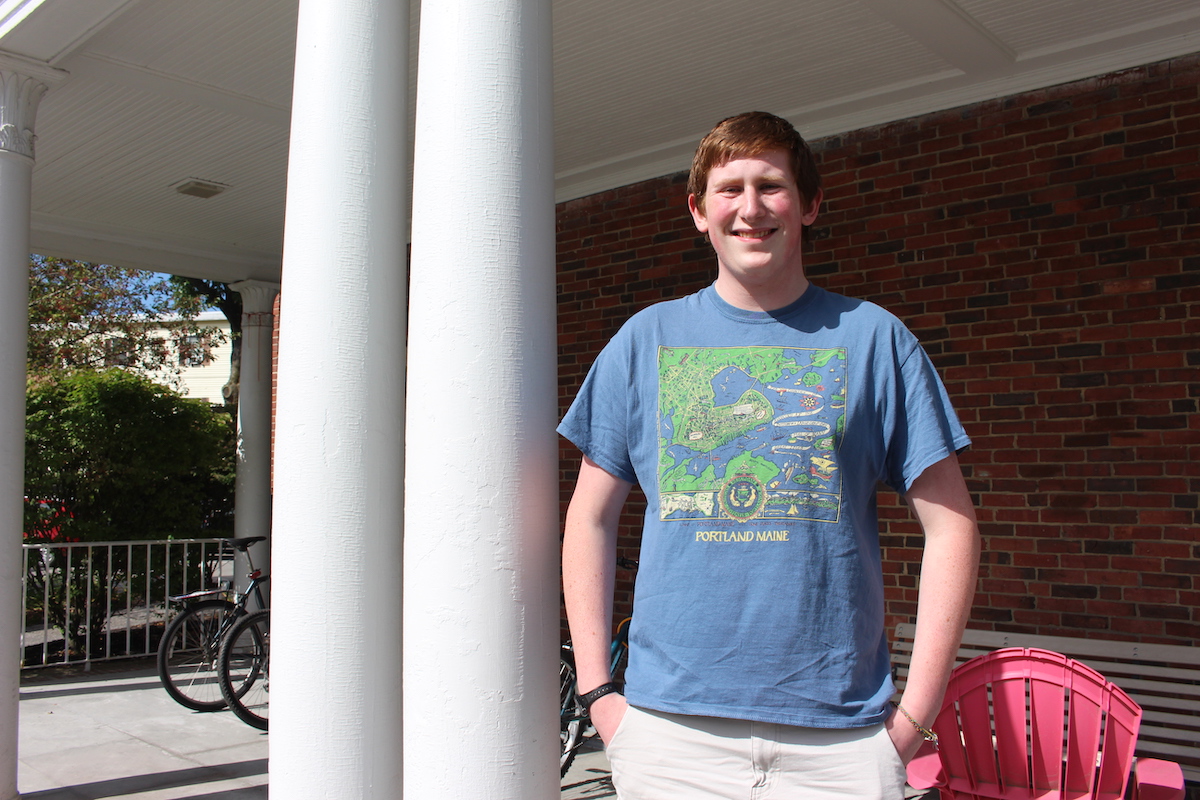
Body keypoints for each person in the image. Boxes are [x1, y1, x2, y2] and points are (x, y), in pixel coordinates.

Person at [559, 111, 980, 799]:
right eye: (730, 189)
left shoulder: (874, 340)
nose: (750, 208)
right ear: (698, 211)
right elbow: (589, 519)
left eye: (772, 185)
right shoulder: (644, 341)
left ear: (809, 205)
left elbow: (953, 526)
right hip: (671, 737)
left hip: (839, 742)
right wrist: (602, 695)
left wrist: (914, 718)